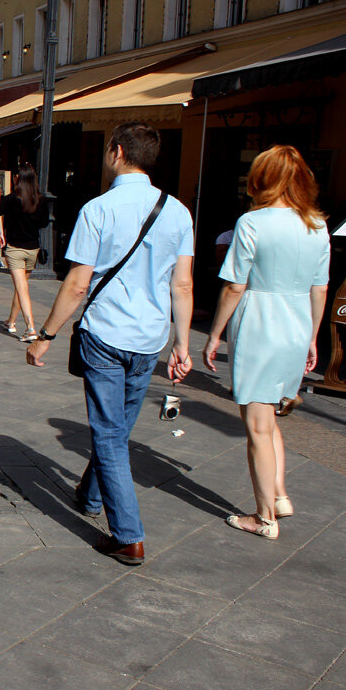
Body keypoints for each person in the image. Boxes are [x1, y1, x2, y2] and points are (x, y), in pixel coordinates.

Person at [27, 122, 194, 566]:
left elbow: (77, 284)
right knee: (117, 429)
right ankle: (90, 495)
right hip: (150, 337)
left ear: (117, 152)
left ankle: (128, 535)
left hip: (105, 333)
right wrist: (182, 342)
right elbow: (183, 284)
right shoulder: (178, 212)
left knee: (108, 434)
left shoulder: (98, 209)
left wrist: (45, 335)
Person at [202, 146, 330, 540]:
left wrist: (214, 333)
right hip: (295, 324)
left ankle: (263, 517)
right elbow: (320, 287)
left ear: (261, 179)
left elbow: (235, 285)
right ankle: (278, 494)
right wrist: (311, 336)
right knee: (270, 415)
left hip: (260, 322)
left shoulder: (252, 222)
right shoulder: (317, 225)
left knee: (256, 423)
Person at [0, 163, 49, 341]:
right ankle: (11, 321)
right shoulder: (40, 199)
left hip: (15, 249)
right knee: (21, 286)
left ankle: (31, 327)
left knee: (21, 288)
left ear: (18, 179)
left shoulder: (12, 198)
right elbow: (45, 223)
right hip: (33, 249)